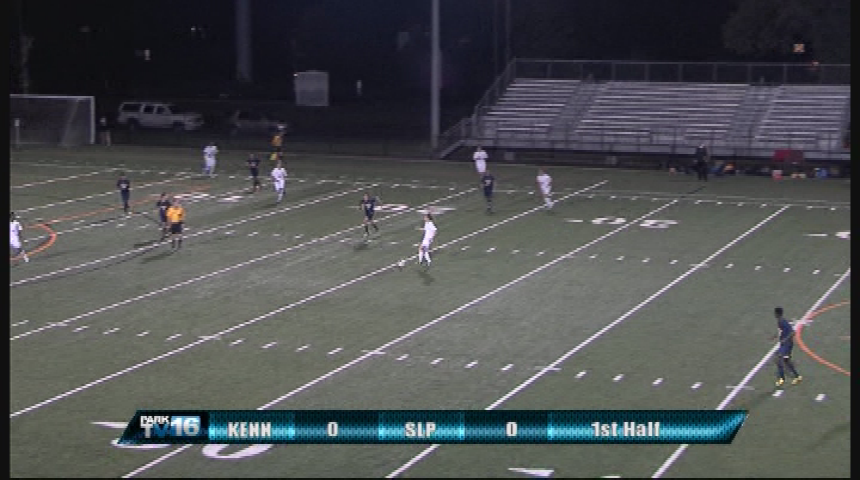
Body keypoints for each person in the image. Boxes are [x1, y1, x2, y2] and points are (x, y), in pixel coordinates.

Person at [773, 307, 802, 387]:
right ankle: (797, 376)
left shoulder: (782, 322)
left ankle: (781, 379)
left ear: (777, 314)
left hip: (787, 345)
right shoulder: (780, 321)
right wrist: (775, 336)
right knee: (786, 360)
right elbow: (781, 331)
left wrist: (785, 340)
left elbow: (793, 332)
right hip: (785, 344)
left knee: (778, 358)